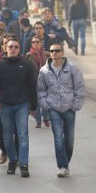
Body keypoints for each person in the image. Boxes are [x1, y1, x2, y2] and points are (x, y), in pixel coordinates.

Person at [0, 38, 37, 178]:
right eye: (10, 47)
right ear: (5, 48)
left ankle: (23, 164)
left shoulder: (26, 65)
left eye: (16, 47)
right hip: (4, 105)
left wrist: (33, 105)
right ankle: (13, 160)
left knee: (22, 135)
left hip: (22, 104)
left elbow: (31, 86)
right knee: (7, 137)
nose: (13, 49)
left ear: (19, 49)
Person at [37, 43, 85, 177]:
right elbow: (41, 90)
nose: (54, 53)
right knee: (58, 137)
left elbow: (80, 88)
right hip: (54, 109)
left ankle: (66, 162)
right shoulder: (44, 71)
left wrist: (76, 105)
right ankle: (62, 166)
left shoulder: (73, 69)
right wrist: (46, 105)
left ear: (62, 53)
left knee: (69, 139)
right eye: (52, 51)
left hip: (69, 108)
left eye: (57, 51)